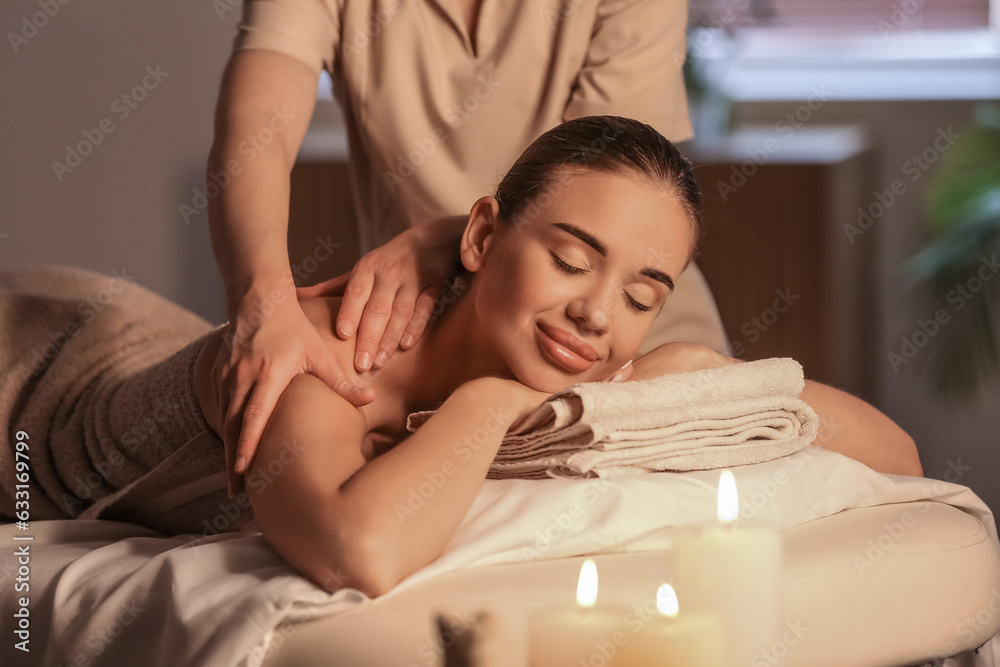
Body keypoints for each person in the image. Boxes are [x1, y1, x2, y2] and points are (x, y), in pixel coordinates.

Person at [190, 116, 921, 596]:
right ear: (479, 238)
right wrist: (488, 401)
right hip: (89, 382)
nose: (597, 315)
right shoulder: (334, 354)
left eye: (641, 297)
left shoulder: (604, 363)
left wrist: (707, 373)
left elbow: (897, 453)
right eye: (571, 259)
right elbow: (359, 553)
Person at [207, 0, 732, 500]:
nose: (593, 313)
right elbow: (257, 129)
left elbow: (615, 181)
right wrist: (264, 298)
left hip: (633, 343)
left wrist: (447, 235)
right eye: (568, 260)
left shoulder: (609, 309)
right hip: (443, 326)